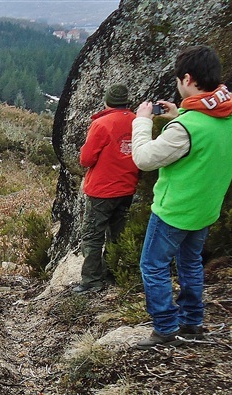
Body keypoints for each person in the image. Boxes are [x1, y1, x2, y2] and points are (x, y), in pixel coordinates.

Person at [131, 45, 232, 349]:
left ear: (188, 79)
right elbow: (209, 130)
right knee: (191, 262)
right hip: (207, 206)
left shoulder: (185, 129)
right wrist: (181, 112)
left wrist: (142, 121)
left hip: (175, 209)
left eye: (179, 80)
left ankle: (166, 328)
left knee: (153, 266)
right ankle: (192, 322)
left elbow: (144, 158)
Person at [73, 84, 140, 293]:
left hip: (101, 190)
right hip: (128, 187)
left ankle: (91, 281)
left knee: (93, 235)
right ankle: (111, 274)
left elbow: (86, 159)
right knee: (116, 234)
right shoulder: (138, 121)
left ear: (107, 101)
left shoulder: (101, 124)